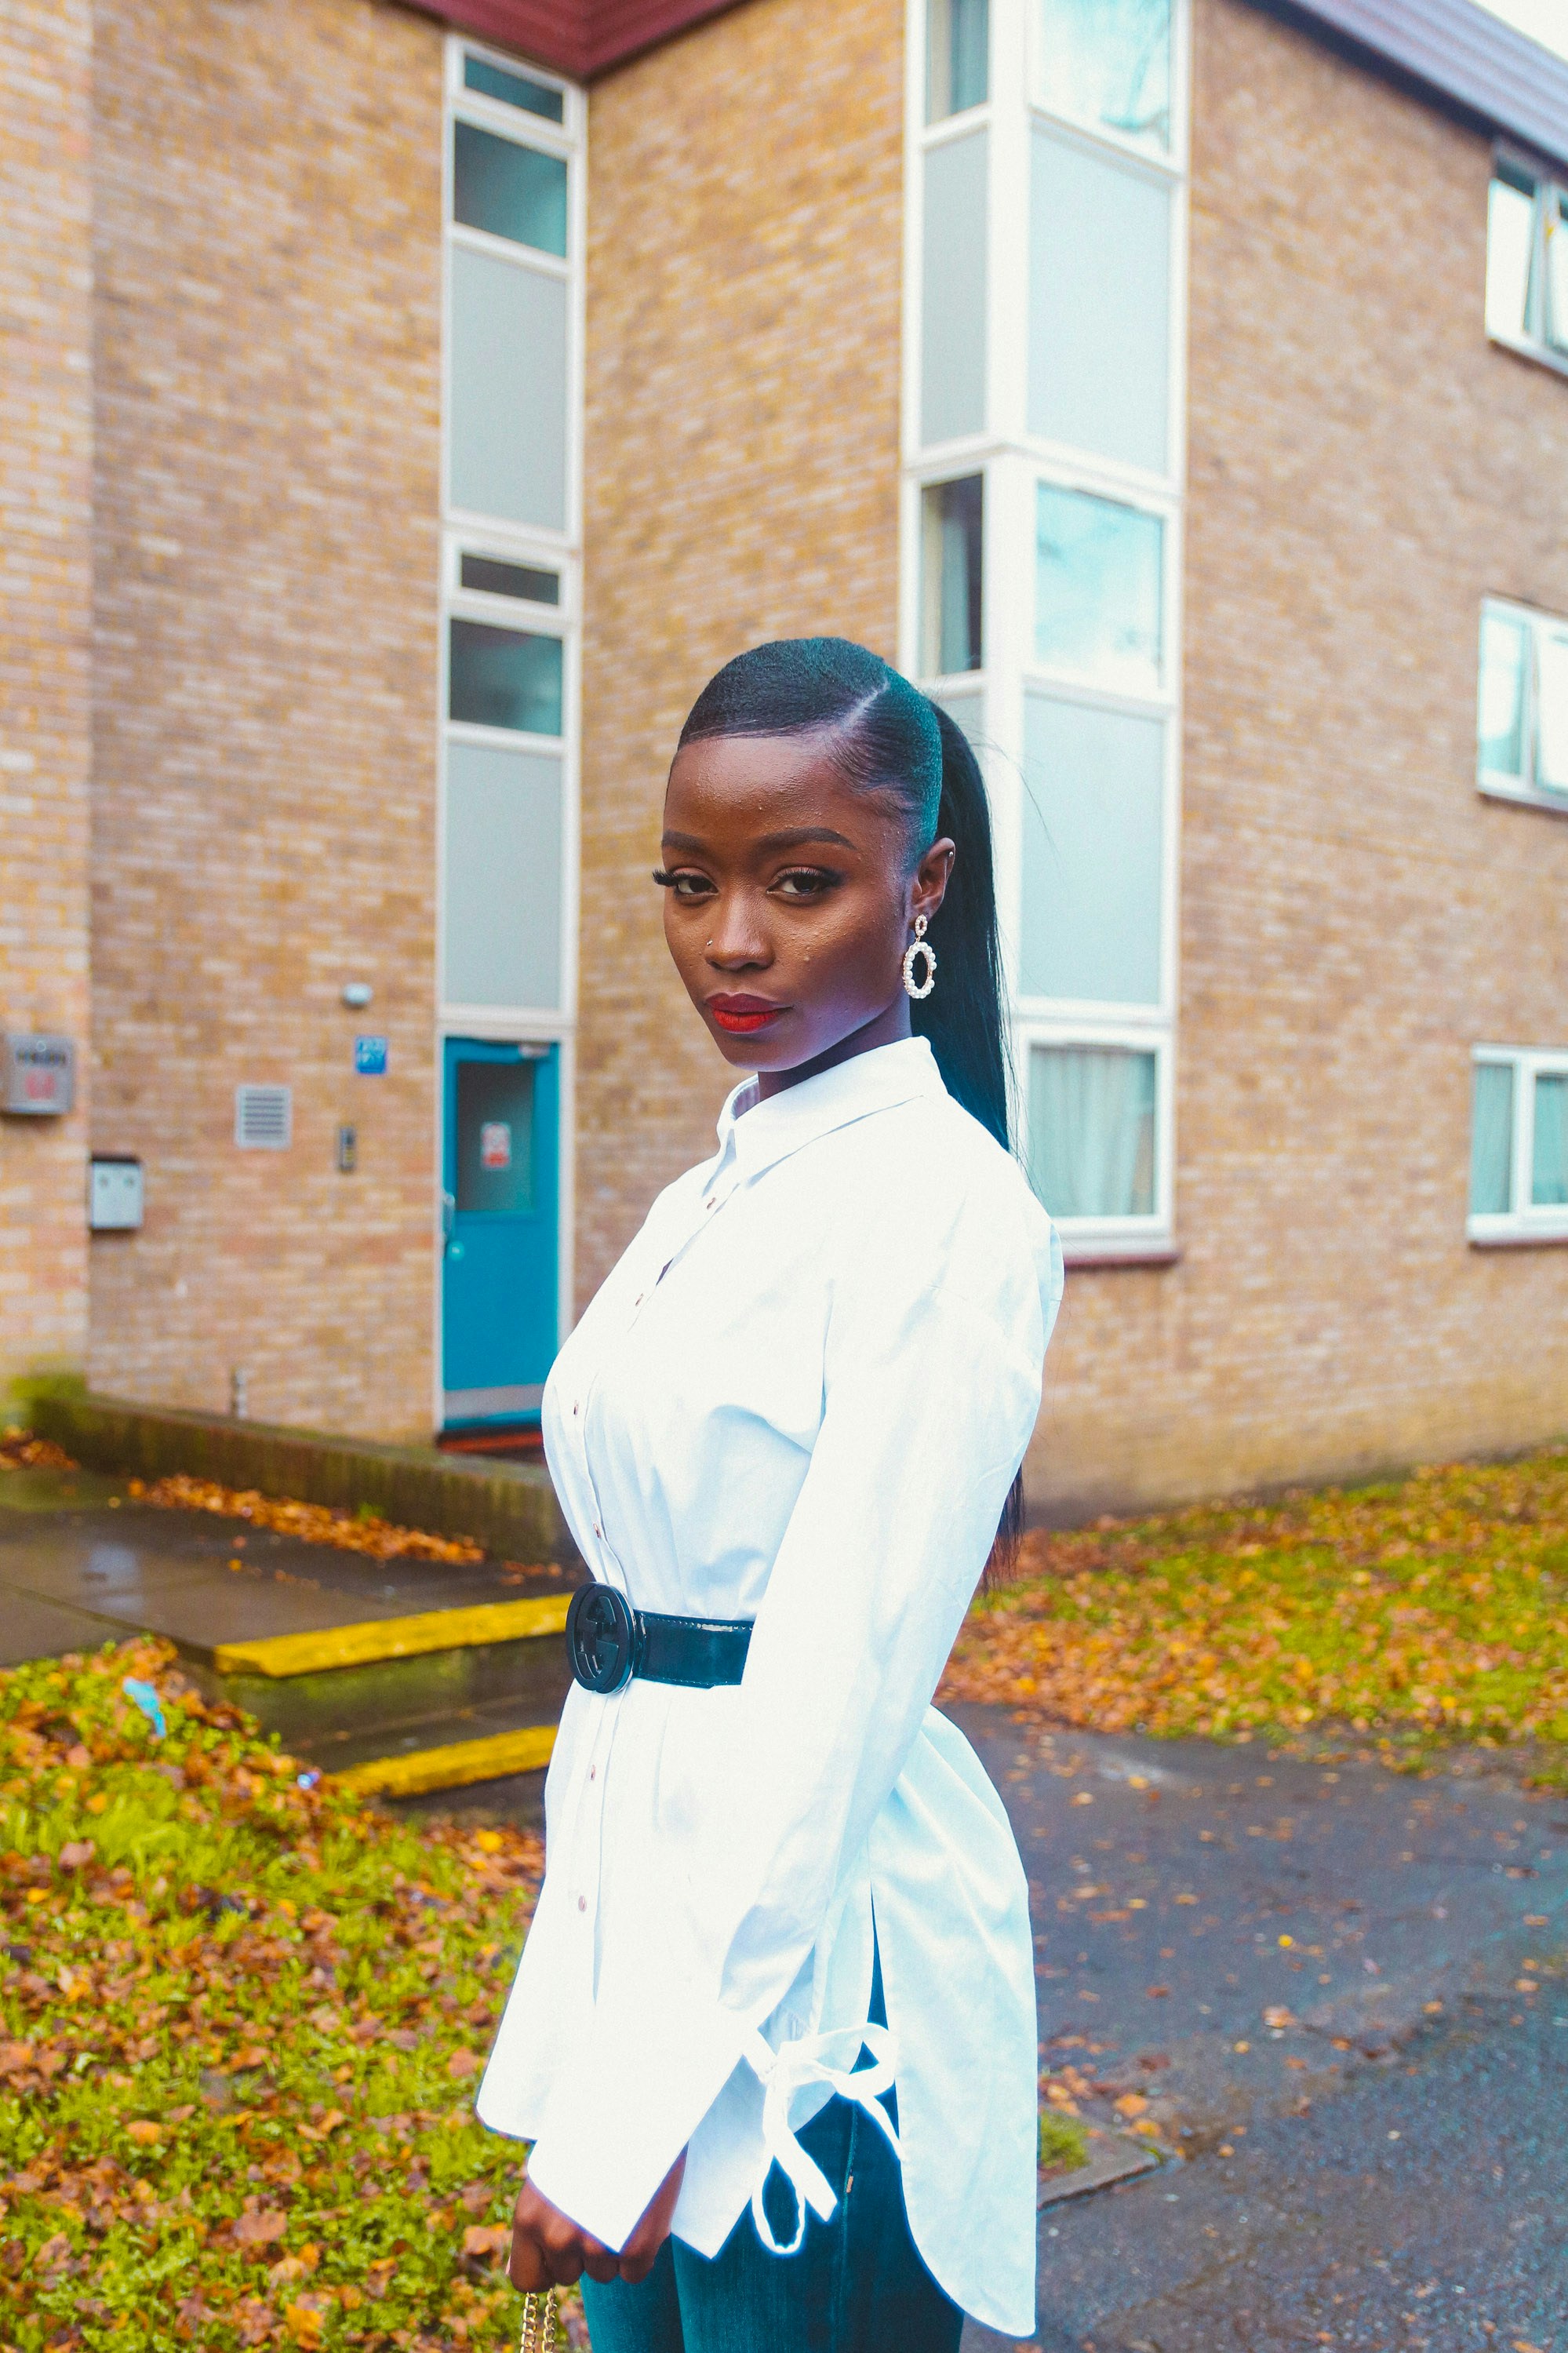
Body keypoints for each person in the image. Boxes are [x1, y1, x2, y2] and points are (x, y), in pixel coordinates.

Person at [480, 637, 1063, 2350]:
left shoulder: (942, 1210)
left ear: (920, 884)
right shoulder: (714, 1190)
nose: (730, 941)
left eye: (800, 884)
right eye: (690, 882)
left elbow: (828, 1692)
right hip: (654, 1935)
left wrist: (645, 2096)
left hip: (813, 1994)